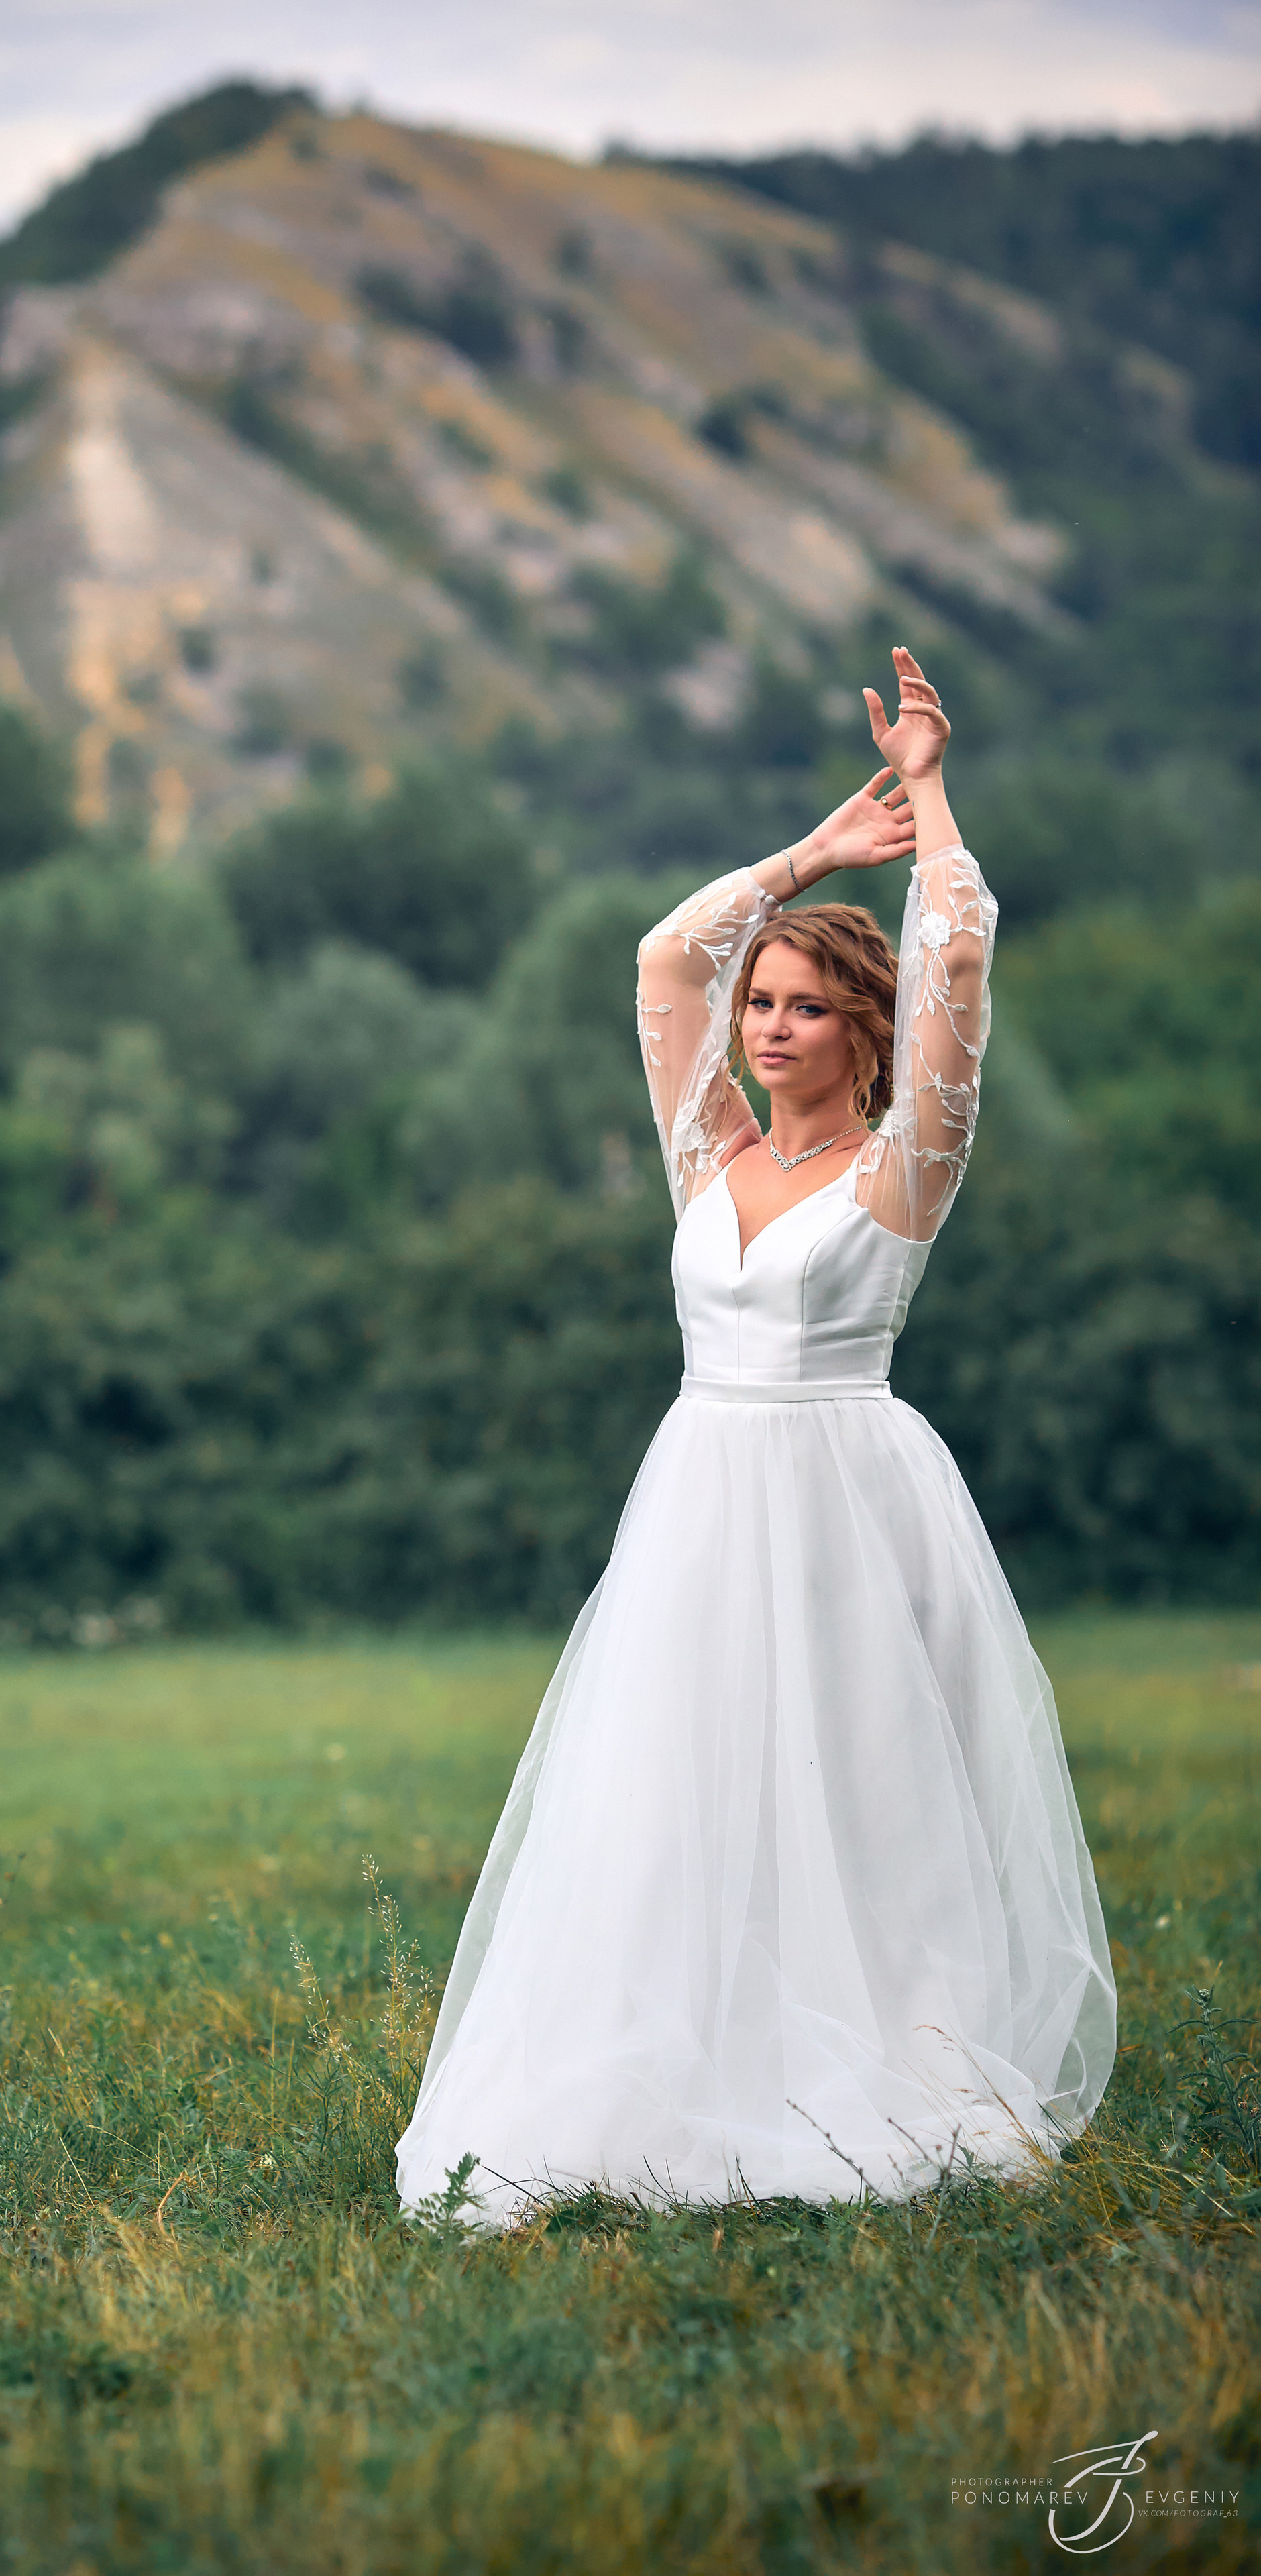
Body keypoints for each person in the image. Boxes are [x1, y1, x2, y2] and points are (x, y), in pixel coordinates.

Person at [395, 647, 1115, 2225]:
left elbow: (961, 970)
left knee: (854, 1789)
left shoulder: (899, 1170)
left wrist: (925, 796)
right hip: (696, 1495)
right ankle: (667, 2062)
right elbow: (664, 959)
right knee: (669, 1788)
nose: (766, 1028)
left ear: (863, 1033)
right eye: (763, 1005)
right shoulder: (704, 1148)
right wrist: (803, 858)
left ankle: (870, 2063)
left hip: (844, 1496)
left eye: (802, 1010)